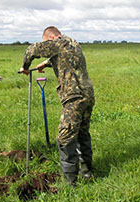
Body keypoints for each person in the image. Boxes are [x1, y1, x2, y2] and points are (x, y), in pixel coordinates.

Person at [19, 26, 95, 185]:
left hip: (74, 97)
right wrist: (46, 63)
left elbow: (30, 50)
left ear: (51, 38)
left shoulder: (57, 43)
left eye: (46, 43)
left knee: (65, 137)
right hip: (87, 94)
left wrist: (25, 68)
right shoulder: (73, 43)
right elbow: (66, 57)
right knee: (82, 132)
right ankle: (86, 172)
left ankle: (70, 181)